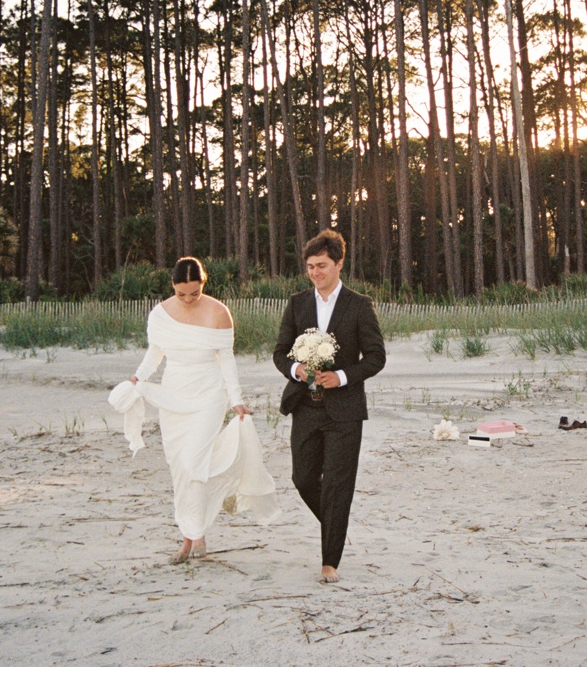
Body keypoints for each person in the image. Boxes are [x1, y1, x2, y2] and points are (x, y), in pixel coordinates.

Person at [109, 256, 280, 564]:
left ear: (204, 284)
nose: (188, 300)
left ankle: (196, 533)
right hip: (174, 395)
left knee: (193, 463)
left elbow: (226, 359)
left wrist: (235, 398)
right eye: (181, 293)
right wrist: (139, 377)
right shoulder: (160, 314)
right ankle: (190, 537)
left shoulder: (218, 313)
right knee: (179, 469)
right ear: (172, 286)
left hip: (208, 396)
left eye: (194, 293)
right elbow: (156, 353)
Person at [272, 230, 386, 584]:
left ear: (339, 263)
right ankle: (336, 522)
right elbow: (279, 352)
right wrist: (296, 369)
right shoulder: (297, 303)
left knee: (338, 484)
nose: (315, 272)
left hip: (345, 410)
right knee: (302, 478)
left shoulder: (359, 304)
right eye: (310, 266)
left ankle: (329, 562)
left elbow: (377, 357)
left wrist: (342, 376)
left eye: (322, 265)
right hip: (304, 405)